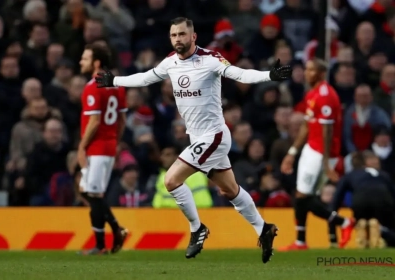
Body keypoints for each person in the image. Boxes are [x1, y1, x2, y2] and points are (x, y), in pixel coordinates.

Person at [95, 17, 292, 263]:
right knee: (229, 190)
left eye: (182, 34)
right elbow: (146, 78)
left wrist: (268, 76)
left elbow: (238, 73)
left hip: (214, 135)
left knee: (171, 179)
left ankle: (197, 228)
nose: (178, 39)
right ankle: (264, 229)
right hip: (199, 137)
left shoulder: (210, 59)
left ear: (193, 36)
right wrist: (114, 81)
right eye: (174, 35)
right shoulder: (170, 62)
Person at [280, 58, 354, 251]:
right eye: (306, 69)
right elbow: (306, 125)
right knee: (303, 196)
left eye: (311, 70)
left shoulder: (326, 96)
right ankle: (301, 241)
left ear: (321, 73)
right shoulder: (311, 93)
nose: (306, 73)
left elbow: (328, 131)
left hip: (322, 153)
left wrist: (327, 164)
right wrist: (292, 152)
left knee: (302, 197)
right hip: (311, 148)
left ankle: (344, 223)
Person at [77, 43, 128, 255]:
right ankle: (115, 230)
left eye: (85, 58)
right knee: (88, 191)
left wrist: (82, 146)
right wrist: (115, 141)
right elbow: (122, 119)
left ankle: (102, 243)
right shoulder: (117, 85)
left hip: (97, 147)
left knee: (94, 194)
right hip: (108, 145)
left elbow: (95, 121)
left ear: (96, 63)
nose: (81, 61)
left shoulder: (92, 86)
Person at [331, 151, 395, 248]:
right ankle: (382, 231)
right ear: (364, 162)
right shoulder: (384, 175)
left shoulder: (351, 174)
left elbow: (337, 198)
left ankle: (361, 225)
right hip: (383, 203)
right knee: (388, 226)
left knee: (361, 217)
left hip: (360, 203)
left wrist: (333, 236)